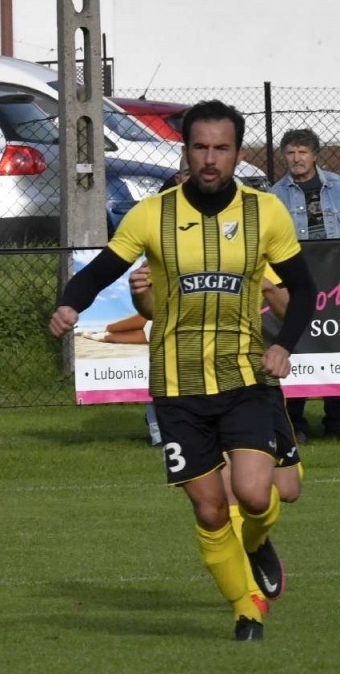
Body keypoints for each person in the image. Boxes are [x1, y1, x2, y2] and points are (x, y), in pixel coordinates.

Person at [49, 100, 318, 641]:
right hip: (176, 387)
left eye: (221, 148)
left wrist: (285, 345)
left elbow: (306, 290)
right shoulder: (153, 214)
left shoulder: (266, 212)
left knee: (260, 496)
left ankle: (258, 541)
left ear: (238, 153)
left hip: (244, 377)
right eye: (200, 147)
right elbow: (102, 269)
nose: (211, 159)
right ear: (185, 151)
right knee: (210, 508)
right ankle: (245, 609)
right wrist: (70, 302)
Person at [129, 262, 300, 604]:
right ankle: (248, 598)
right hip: (194, 388)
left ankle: (256, 541)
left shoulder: (257, 240)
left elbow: (291, 313)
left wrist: (265, 287)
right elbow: (150, 311)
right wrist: (141, 293)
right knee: (230, 494)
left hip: (256, 384)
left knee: (287, 488)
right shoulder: (170, 243)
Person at [267, 128, 340, 440]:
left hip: (334, 278)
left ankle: (336, 421)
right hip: (294, 277)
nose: (296, 158)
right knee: (294, 340)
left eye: (302, 152)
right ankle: (294, 421)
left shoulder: (337, 186)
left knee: (334, 344)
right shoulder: (274, 195)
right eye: (290, 152)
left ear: (315, 154)